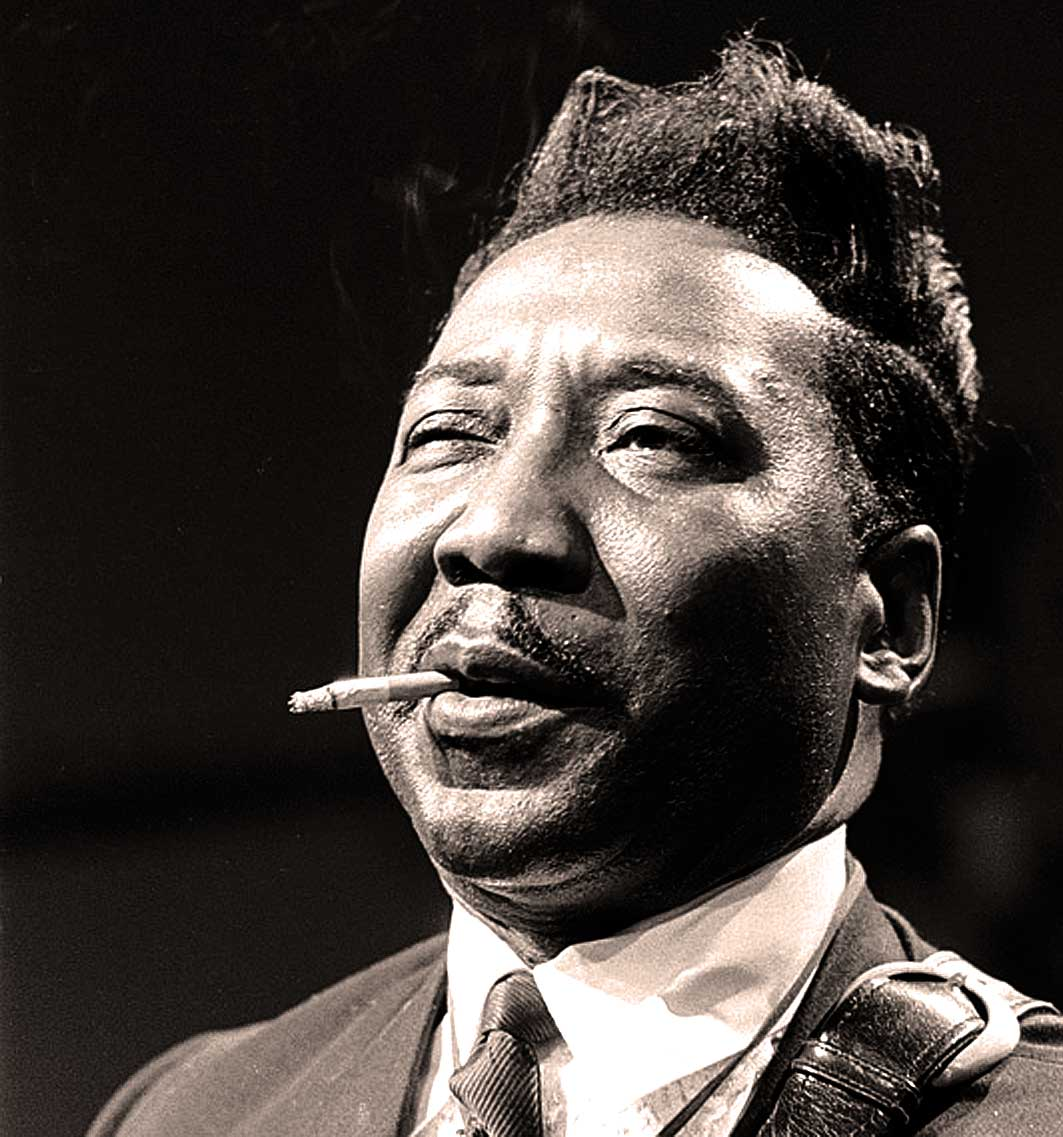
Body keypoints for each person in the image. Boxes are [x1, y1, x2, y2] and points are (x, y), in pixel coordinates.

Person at [88, 38, 1063, 1137]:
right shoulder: (189, 1113)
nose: (493, 531)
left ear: (888, 614)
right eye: (448, 433)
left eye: (648, 436)